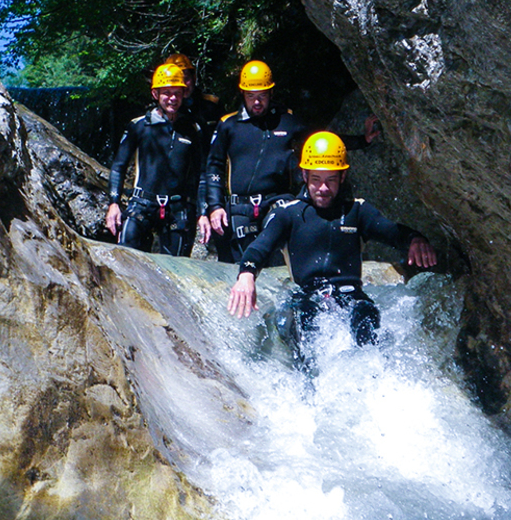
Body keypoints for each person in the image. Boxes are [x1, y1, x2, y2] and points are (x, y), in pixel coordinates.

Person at [227, 131, 437, 363]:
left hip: (350, 296)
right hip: (307, 296)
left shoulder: (357, 211)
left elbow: (391, 231)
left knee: (366, 314)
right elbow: (260, 248)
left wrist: (415, 240)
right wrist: (246, 274)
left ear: (343, 176)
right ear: (304, 174)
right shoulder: (288, 213)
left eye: (331, 180)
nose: (323, 188)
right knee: (305, 319)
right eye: (316, 179)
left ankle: (373, 378)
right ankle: (309, 387)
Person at [202, 60, 374, 264]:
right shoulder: (228, 125)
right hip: (240, 207)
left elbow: (321, 141)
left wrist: (362, 140)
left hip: (276, 203)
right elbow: (213, 166)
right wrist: (214, 206)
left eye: (262, 96)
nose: (257, 102)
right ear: (242, 94)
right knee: (240, 265)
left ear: (271, 93)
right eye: (251, 96)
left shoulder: (287, 120)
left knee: (279, 263)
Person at [105, 63, 209, 256]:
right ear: (155, 94)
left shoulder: (193, 129)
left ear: (184, 93)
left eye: (177, 93)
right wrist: (114, 204)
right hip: (142, 204)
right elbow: (119, 166)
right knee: (128, 262)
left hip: (177, 208)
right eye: (166, 93)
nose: (172, 98)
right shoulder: (139, 126)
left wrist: (203, 212)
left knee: (177, 270)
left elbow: (202, 174)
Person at [165, 52, 222, 129]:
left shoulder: (211, 104)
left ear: (194, 78)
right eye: (177, 81)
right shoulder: (165, 110)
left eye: (186, 79)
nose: (183, 85)